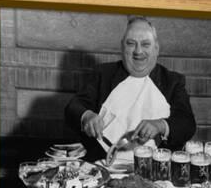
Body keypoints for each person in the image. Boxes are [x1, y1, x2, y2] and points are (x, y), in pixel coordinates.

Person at [64, 16, 196, 163]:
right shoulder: (103, 74)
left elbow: (187, 124)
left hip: (156, 168)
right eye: (131, 44)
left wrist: (160, 125)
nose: (138, 51)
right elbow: (73, 107)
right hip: (103, 165)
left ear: (156, 49)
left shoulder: (172, 81)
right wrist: (87, 116)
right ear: (122, 47)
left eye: (146, 44)